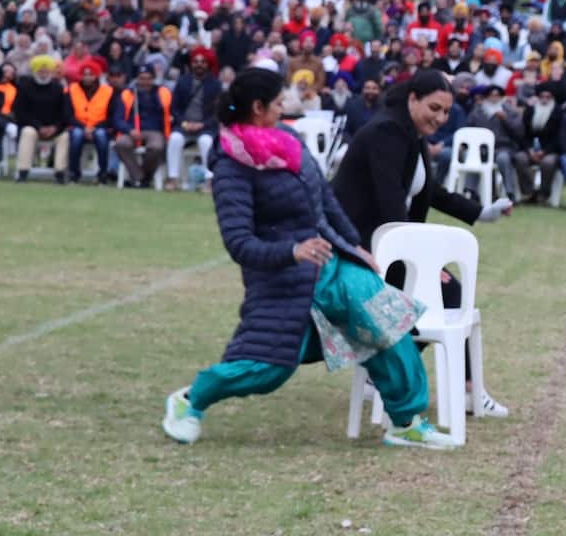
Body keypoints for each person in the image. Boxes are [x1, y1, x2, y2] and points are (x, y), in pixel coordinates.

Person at [161, 68, 453, 449]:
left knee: (384, 316)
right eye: (279, 103)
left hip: (332, 263)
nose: (285, 110)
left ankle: (407, 421)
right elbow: (238, 242)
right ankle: (190, 400)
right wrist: (292, 251)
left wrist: (354, 246)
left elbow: (326, 202)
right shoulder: (231, 167)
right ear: (257, 107)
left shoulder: (288, 140)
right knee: (268, 370)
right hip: (283, 280)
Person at [331, 69, 511, 417]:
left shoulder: (409, 133)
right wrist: (419, 263)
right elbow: (388, 204)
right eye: (434, 108)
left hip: (384, 245)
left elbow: (431, 192)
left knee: (447, 295)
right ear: (413, 98)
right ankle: (461, 389)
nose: (441, 118)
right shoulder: (387, 132)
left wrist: (481, 211)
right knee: (447, 295)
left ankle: (387, 374)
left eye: (446, 111)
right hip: (362, 250)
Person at [165, 49, 221, 190]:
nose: (199, 65)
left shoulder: (215, 85)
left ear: (208, 64)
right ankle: (173, 179)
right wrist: (183, 122)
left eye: (202, 62)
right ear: (191, 64)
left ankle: (209, 181)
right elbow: (174, 108)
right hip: (184, 124)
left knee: (206, 142)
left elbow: (218, 112)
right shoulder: (183, 82)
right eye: (196, 62)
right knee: (174, 139)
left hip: (205, 126)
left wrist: (202, 124)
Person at [13, 55, 70, 184]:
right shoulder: (25, 87)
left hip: (54, 129)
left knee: (65, 136)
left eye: (46, 71)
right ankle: (23, 172)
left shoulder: (58, 89)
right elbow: (20, 113)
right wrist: (38, 127)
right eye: (40, 71)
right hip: (33, 127)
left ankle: (59, 173)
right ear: (35, 71)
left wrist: (55, 127)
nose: (44, 74)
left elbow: (65, 114)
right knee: (27, 132)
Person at [113, 66, 172, 188]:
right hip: (132, 130)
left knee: (156, 147)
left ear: (154, 79)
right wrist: (129, 130)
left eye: (148, 79)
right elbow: (117, 119)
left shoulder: (163, 93)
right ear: (137, 79)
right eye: (142, 79)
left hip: (155, 130)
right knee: (121, 144)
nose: (145, 82)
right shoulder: (127, 94)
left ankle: (145, 176)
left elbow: (169, 114)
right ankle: (139, 177)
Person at [465, 84, 522, 201]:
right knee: (473, 157)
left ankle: (509, 192)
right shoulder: (477, 111)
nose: (494, 98)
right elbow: (468, 129)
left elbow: (519, 132)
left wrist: (505, 119)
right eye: (491, 96)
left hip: (504, 147)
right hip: (482, 149)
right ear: (485, 98)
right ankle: (471, 191)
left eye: (497, 96)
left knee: (503, 158)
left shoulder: (509, 111)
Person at [65, 63, 114, 184]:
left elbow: (111, 116)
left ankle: (102, 175)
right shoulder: (71, 89)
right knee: (76, 136)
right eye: (84, 74)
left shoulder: (108, 91)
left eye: (90, 74)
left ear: (96, 76)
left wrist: (94, 128)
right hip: (78, 125)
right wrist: (84, 127)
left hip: (100, 126)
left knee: (101, 136)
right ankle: (74, 174)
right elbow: (67, 114)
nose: (87, 77)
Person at [514, 82, 562, 203]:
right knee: (520, 158)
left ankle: (544, 193)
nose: (545, 99)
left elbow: (559, 137)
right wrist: (529, 150)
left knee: (548, 163)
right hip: (529, 149)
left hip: (549, 150)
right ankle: (529, 191)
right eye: (542, 97)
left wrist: (544, 152)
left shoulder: (558, 112)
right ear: (538, 97)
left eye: (548, 97)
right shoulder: (530, 110)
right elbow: (523, 134)